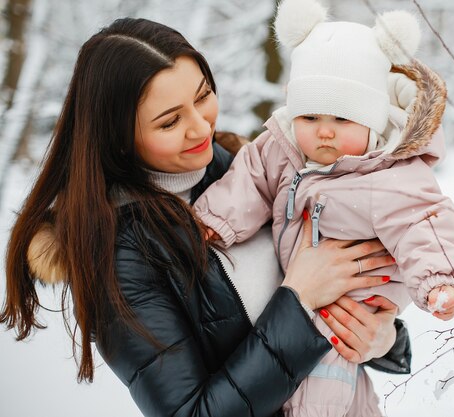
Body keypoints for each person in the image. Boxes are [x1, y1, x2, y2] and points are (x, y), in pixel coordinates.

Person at [0, 17, 413, 417]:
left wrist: (382, 338)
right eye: (170, 121)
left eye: (202, 96)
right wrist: (299, 300)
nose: (201, 128)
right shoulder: (118, 252)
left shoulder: (247, 169)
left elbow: (353, 291)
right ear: (119, 137)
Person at [193, 0, 454, 416]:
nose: (324, 131)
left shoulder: (389, 175)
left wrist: (438, 281)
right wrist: (213, 221)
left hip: (349, 310)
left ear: (373, 120)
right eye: (310, 115)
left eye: (342, 118)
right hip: (303, 309)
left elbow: (424, 220)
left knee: (326, 394)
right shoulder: (281, 148)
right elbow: (249, 179)